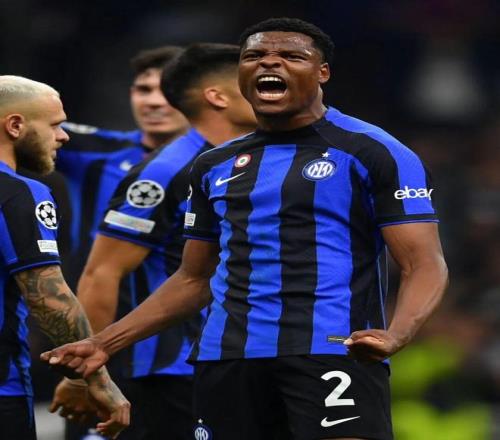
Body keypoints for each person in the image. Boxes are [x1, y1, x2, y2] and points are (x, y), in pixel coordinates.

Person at [42, 17, 449, 440]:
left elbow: (424, 262)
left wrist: (398, 334)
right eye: (254, 56)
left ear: (322, 72)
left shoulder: (374, 151)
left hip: (330, 351)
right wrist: (104, 344)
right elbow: (194, 277)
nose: (269, 62)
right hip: (226, 357)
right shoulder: (212, 165)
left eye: (291, 56)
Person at [51, 42, 257, 440]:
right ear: (216, 95)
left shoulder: (243, 159)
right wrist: (83, 373)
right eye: (251, 85)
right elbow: (101, 273)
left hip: (231, 355)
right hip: (166, 366)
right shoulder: (165, 170)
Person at [0, 75, 130, 440]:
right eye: (55, 125)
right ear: (15, 125)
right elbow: (48, 297)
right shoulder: (19, 193)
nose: (63, 137)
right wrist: (97, 380)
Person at [57, 46, 189, 290]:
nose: (154, 102)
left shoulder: (221, 163)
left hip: (182, 308)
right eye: (144, 90)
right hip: (90, 300)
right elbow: (22, 122)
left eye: (169, 90)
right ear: (131, 93)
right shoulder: (94, 150)